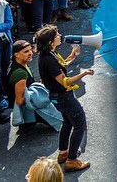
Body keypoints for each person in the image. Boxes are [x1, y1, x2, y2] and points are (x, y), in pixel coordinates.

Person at [35, 25, 91, 172]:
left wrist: (73, 55)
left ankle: (63, 153)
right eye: (57, 35)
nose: (60, 35)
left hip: (57, 97)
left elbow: (61, 67)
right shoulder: (49, 59)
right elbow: (65, 81)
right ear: (51, 41)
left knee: (67, 123)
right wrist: (84, 74)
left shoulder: (48, 54)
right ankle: (72, 160)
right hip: (64, 96)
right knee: (79, 124)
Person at [8, 39, 63, 130]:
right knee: (60, 119)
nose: (30, 53)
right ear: (16, 55)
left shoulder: (21, 64)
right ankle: (29, 121)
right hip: (29, 106)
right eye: (26, 51)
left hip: (30, 98)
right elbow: (19, 100)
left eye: (30, 50)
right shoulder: (20, 73)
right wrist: (38, 99)